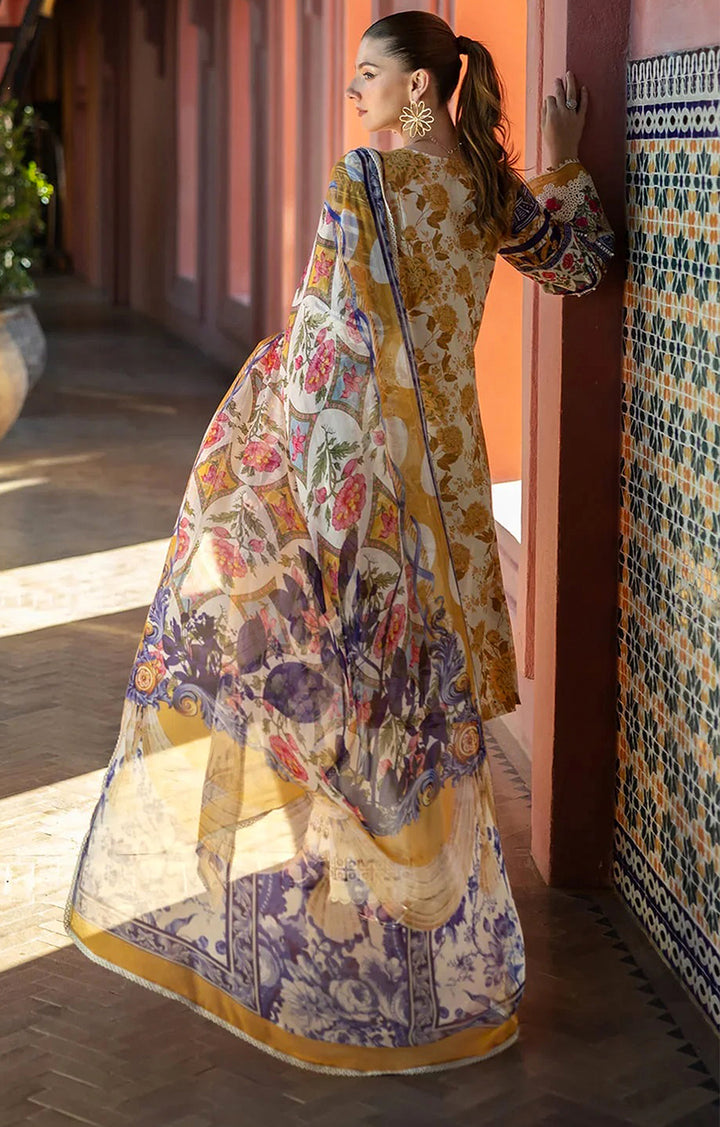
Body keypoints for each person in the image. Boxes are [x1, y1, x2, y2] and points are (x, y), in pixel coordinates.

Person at [64, 10, 614, 1076]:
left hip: (368, 482)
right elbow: (583, 264)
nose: (353, 91)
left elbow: (322, 350)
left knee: (348, 677)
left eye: (369, 74)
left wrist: (255, 453)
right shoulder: (491, 192)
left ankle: (352, 922)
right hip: (451, 483)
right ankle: (419, 924)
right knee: (418, 692)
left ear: (420, 90)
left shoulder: (365, 180)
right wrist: (566, 161)